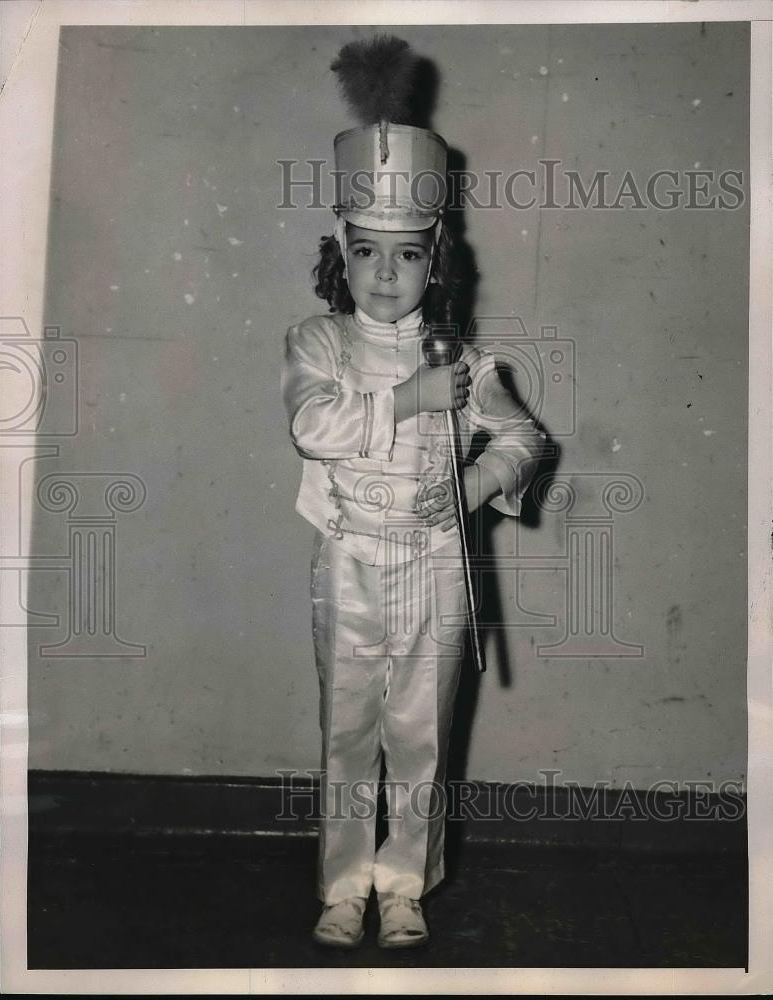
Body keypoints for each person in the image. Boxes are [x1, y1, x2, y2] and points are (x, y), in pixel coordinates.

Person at [281, 36, 546, 950]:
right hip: (348, 559)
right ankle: (341, 884)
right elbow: (313, 427)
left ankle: (403, 887)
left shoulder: (464, 360)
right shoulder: (316, 343)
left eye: (403, 256)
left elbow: (523, 439)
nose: (383, 275)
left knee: (421, 735)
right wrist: (407, 398)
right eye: (365, 253)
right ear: (340, 254)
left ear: (434, 262)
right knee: (347, 729)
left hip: (433, 565)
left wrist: (473, 483)